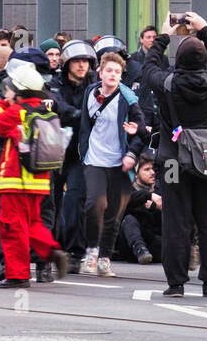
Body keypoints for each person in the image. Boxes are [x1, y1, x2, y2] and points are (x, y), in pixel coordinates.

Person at [140, 10, 207, 298]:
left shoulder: (166, 84)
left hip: (172, 160)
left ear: (178, 61)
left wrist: (164, 36)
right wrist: (206, 31)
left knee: (176, 219)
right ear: (204, 61)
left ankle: (176, 282)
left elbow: (149, 67)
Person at [0, 58, 70, 289]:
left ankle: (17, 275)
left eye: (8, 89)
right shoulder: (43, 110)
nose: (6, 93)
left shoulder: (17, 111)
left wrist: (1, 104)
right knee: (33, 223)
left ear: (19, 91)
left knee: (11, 226)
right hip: (39, 181)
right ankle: (51, 250)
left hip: (15, 181)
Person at [79, 52, 144, 278]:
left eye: (117, 72)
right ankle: (92, 251)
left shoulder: (128, 97)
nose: (113, 75)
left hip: (121, 163)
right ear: (100, 72)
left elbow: (142, 129)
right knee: (94, 203)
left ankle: (105, 258)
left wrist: (132, 154)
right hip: (94, 159)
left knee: (114, 213)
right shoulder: (90, 92)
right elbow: (85, 123)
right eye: (109, 70)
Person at [48, 39, 96, 270]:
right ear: (67, 64)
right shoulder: (55, 85)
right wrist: (79, 114)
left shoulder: (94, 85)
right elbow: (58, 106)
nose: (81, 65)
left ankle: (75, 252)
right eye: (77, 61)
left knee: (76, 199)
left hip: (78, 153)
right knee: (51, 202)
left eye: (85, 61)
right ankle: (49, 250)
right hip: (53, 151)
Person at [118, 151, 161, 264]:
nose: (152, 173)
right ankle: (140, 250)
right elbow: (126, 201)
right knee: (129, 219)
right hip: (130, 246)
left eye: (153, 169)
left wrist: (155, 208)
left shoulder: (159, 192)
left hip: (153, 242)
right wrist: (148, 196)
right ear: (136, 174)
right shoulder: (128, 190)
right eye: (146, 169)